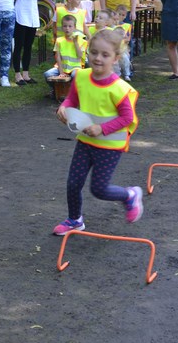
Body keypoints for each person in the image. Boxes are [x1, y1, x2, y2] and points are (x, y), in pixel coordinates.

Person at [53, 28, 142, 235]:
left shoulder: (119, 89)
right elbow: (72, 99)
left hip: (110, 146)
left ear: (116, 58)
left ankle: (129, 195)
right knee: (73, 183)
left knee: (99, 189)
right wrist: (64, 107)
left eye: (105, 54)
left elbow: (127, 118)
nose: (98, 58)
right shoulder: (81, 77)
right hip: (85, 141)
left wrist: (102, 128)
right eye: (93, 52)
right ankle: (75, 220)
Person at [12, 0, 43, 85]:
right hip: (21, 11)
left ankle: (26, 73)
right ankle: (17, 74)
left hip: (32, 12)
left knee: (29, 45)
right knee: (19, 44)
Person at [44, 15, 87, 95]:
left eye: (70, 26)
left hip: (75, 67)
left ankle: (74, 93)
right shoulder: (59, 40)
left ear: (74, 27)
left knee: (75, 75)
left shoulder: (81, 41)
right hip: (62, 67)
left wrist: (75, 43)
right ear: (62, 27)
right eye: (65, 26)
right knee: (47, 74)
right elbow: (58, 57)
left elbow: (80, 56)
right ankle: (56, 91)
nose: (67, 28)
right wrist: (61, 72)